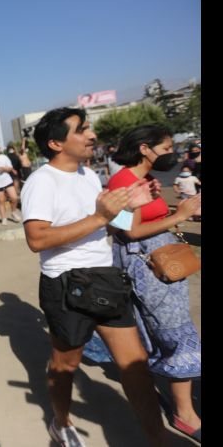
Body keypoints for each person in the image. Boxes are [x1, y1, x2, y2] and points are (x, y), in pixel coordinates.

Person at [21, 107, 170, 446]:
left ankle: (160, 439)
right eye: (82, 129)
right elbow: (37, 240)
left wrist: (132, 206)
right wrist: (99, 216)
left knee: (136, 365)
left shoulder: (88, 175)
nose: (92, 135)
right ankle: (61, 422)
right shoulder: (40, 182)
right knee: (65, 364)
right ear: (56, 143)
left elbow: (111, 226)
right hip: (65, 283)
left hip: (105, 278)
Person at [106, 125, 202, 442]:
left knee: (174, 330)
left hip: (163, 264)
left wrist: (172, 210)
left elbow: (145, 219)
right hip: (149, 269)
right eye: (165, 148)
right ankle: (185, 414)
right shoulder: (122, 182)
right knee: (175, 333)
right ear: (144, 149)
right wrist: (180, 215)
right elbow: (126, 232)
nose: (171, 154)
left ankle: (178, 403)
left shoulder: (145, 179)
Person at [0, 144, 21, 225]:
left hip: (7, 181)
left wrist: (4, 169)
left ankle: (13, 212)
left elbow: (10, 168)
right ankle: (3, 218)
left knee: (14, 198)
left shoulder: (4, 157)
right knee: (1, 201)